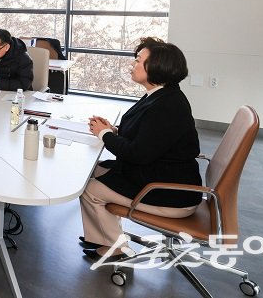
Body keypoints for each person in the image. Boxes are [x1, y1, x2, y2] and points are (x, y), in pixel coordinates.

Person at [79, 37, 202, 261]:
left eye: (138, 61)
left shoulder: (166, 107)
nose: (132, 66)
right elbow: (148, 137)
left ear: (157, 67)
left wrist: (104, 135)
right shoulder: (161, 95)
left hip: (168, 192)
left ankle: (116, 250)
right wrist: (114, 131)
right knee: (89, 172)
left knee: (89, 190)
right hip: (160, 175)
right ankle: (101, 236)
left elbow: (139, 153)